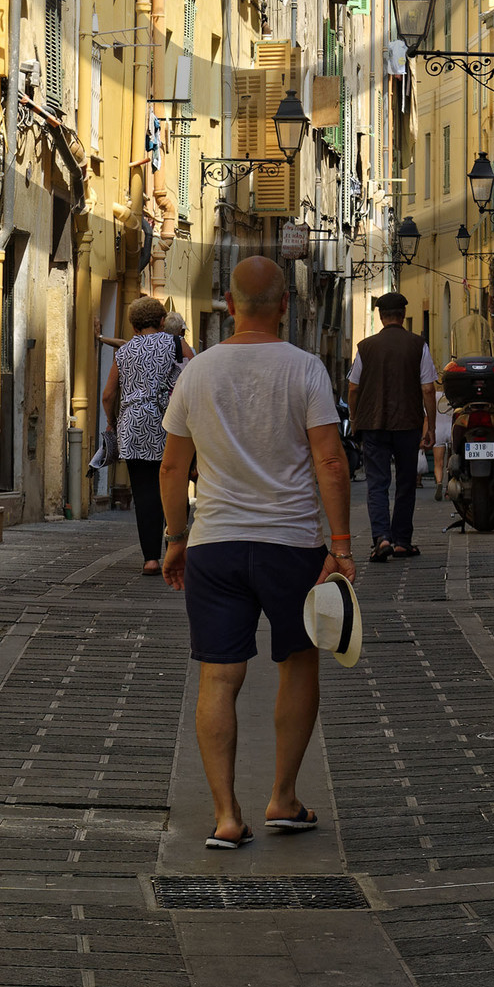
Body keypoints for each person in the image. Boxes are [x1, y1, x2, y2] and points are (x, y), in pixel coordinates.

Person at [159, 255, 355, 849]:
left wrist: (175, 538)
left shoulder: (197, 372)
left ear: (227, 303)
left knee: (218, 678)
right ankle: (284, 798)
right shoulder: (305, 369)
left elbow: (173, 464)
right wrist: (340, 546)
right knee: (298, 663)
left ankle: (225, 815)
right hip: (290, 544)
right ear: (285, 306)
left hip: (215, 544)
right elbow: (328, 460)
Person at [347, 292, 437, 561]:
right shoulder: (418, 344)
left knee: (377, 482)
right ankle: (401, 541)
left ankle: (381, 538)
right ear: (403, 315)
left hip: (373, 423)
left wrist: (354, 417)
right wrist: (430, 426)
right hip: (408, 423)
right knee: (406, 483)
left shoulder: (366, 347)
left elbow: (353, 387)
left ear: (380, 316)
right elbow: (429, 388)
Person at [102, 295, 182, 577]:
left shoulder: (124, 352)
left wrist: (113, 424)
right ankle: (175, 546)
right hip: (168, 423)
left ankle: (151, 558)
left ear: (134, 327)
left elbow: (108, 394)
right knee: (171, 484)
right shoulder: (174, 344)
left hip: (133, 426)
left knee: (144, 491)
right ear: (162, 321)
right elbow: (195, 375)